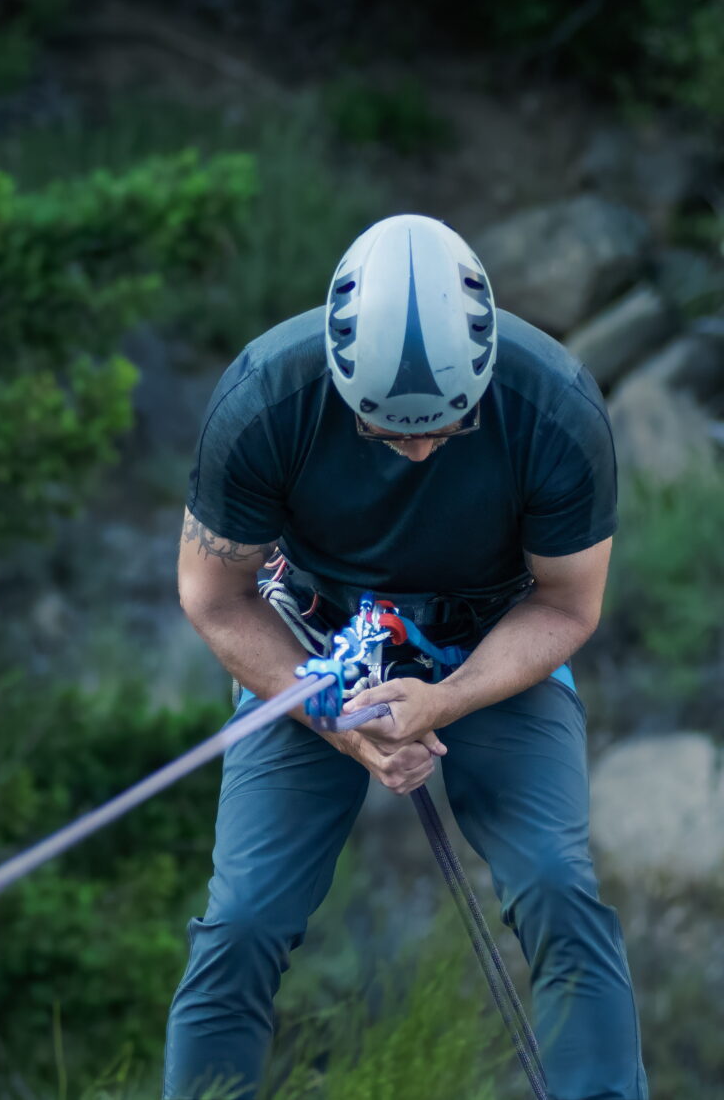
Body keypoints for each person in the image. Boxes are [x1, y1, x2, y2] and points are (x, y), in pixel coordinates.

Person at [163, 214, 649, 1100]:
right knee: (241, 921)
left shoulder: (555, 409)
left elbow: (570, 604)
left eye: (446, 428)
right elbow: (212, 595)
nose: (421, 448)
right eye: (387, 432)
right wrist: (334, 720)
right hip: (314, 641)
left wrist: (448, 697)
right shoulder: (267, 398)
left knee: (555, 884)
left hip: (496, 636)